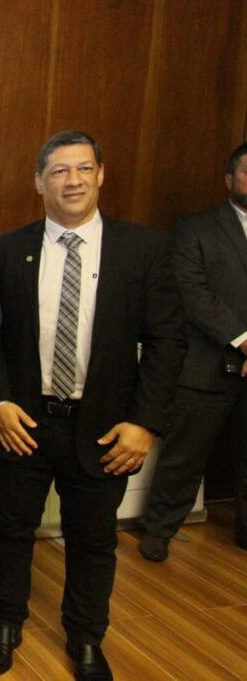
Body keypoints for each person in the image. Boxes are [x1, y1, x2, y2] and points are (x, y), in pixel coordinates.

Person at [0, 131, 184, 680]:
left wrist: (144, 424)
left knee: (93, 541)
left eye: (83, 169)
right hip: (23, 422)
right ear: (39, 182)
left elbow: (168, 343)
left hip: (103, 428)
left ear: (101, 175)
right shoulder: (8, 248)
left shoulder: (143, 250)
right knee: (11, 530)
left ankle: (87, 637)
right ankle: (5, 622)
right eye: (60, 171)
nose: (72, 180)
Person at [140, 142, 247, 561]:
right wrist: (242, 340)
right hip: (206, 366)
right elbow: (192, 293)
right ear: (229, 180)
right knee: (184, 457)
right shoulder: (195, 228)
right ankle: (158, 532)